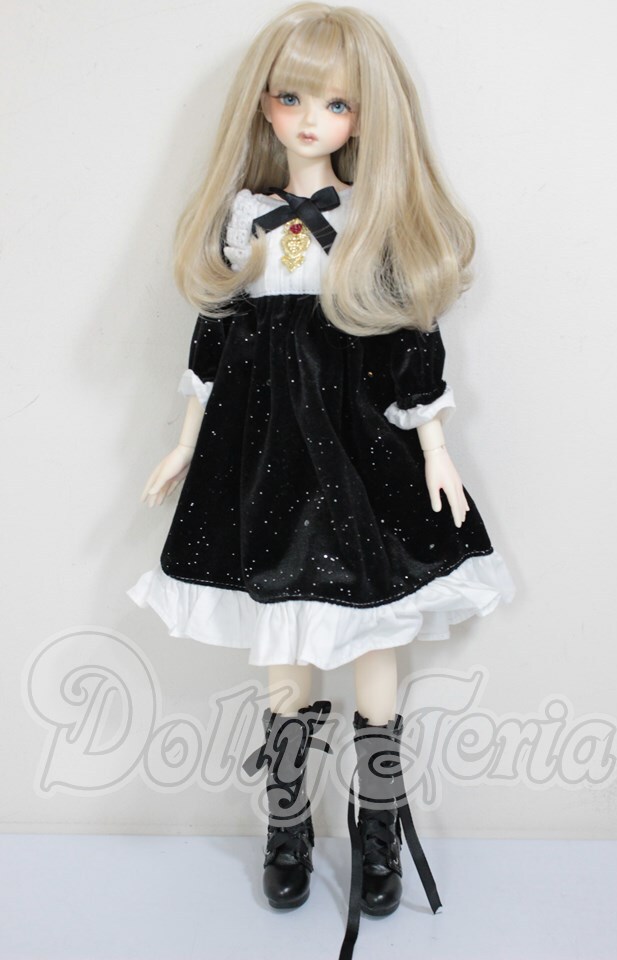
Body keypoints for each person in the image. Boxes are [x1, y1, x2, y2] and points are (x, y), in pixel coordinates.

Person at [126, 4, 516, 957]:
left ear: (362, 117)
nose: (311, 121)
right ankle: (287, 822)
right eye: (294, 99)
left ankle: (377, 824)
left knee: (373, 626)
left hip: (356, 447)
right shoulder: (242, 217)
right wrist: (185, 442)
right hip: (262, 451)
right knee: (284, 638)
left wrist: (435, 445)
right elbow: (216, 342)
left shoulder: (369, 218)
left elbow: (412, 341)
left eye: (335, 105)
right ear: (265, 104)